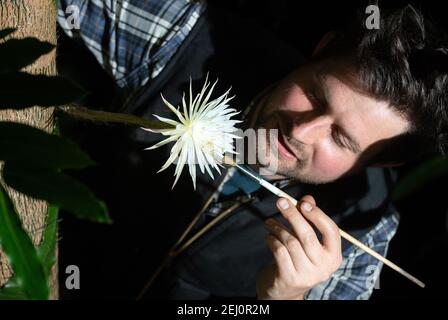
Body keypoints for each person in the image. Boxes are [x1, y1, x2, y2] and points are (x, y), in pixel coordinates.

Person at [57, 0, 448, 299]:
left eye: (341, 139)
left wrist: (279, 300)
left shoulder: (363, 239)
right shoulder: (188, 37)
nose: (302, 130)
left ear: (383, 161)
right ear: (322, 48)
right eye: (314, 94)